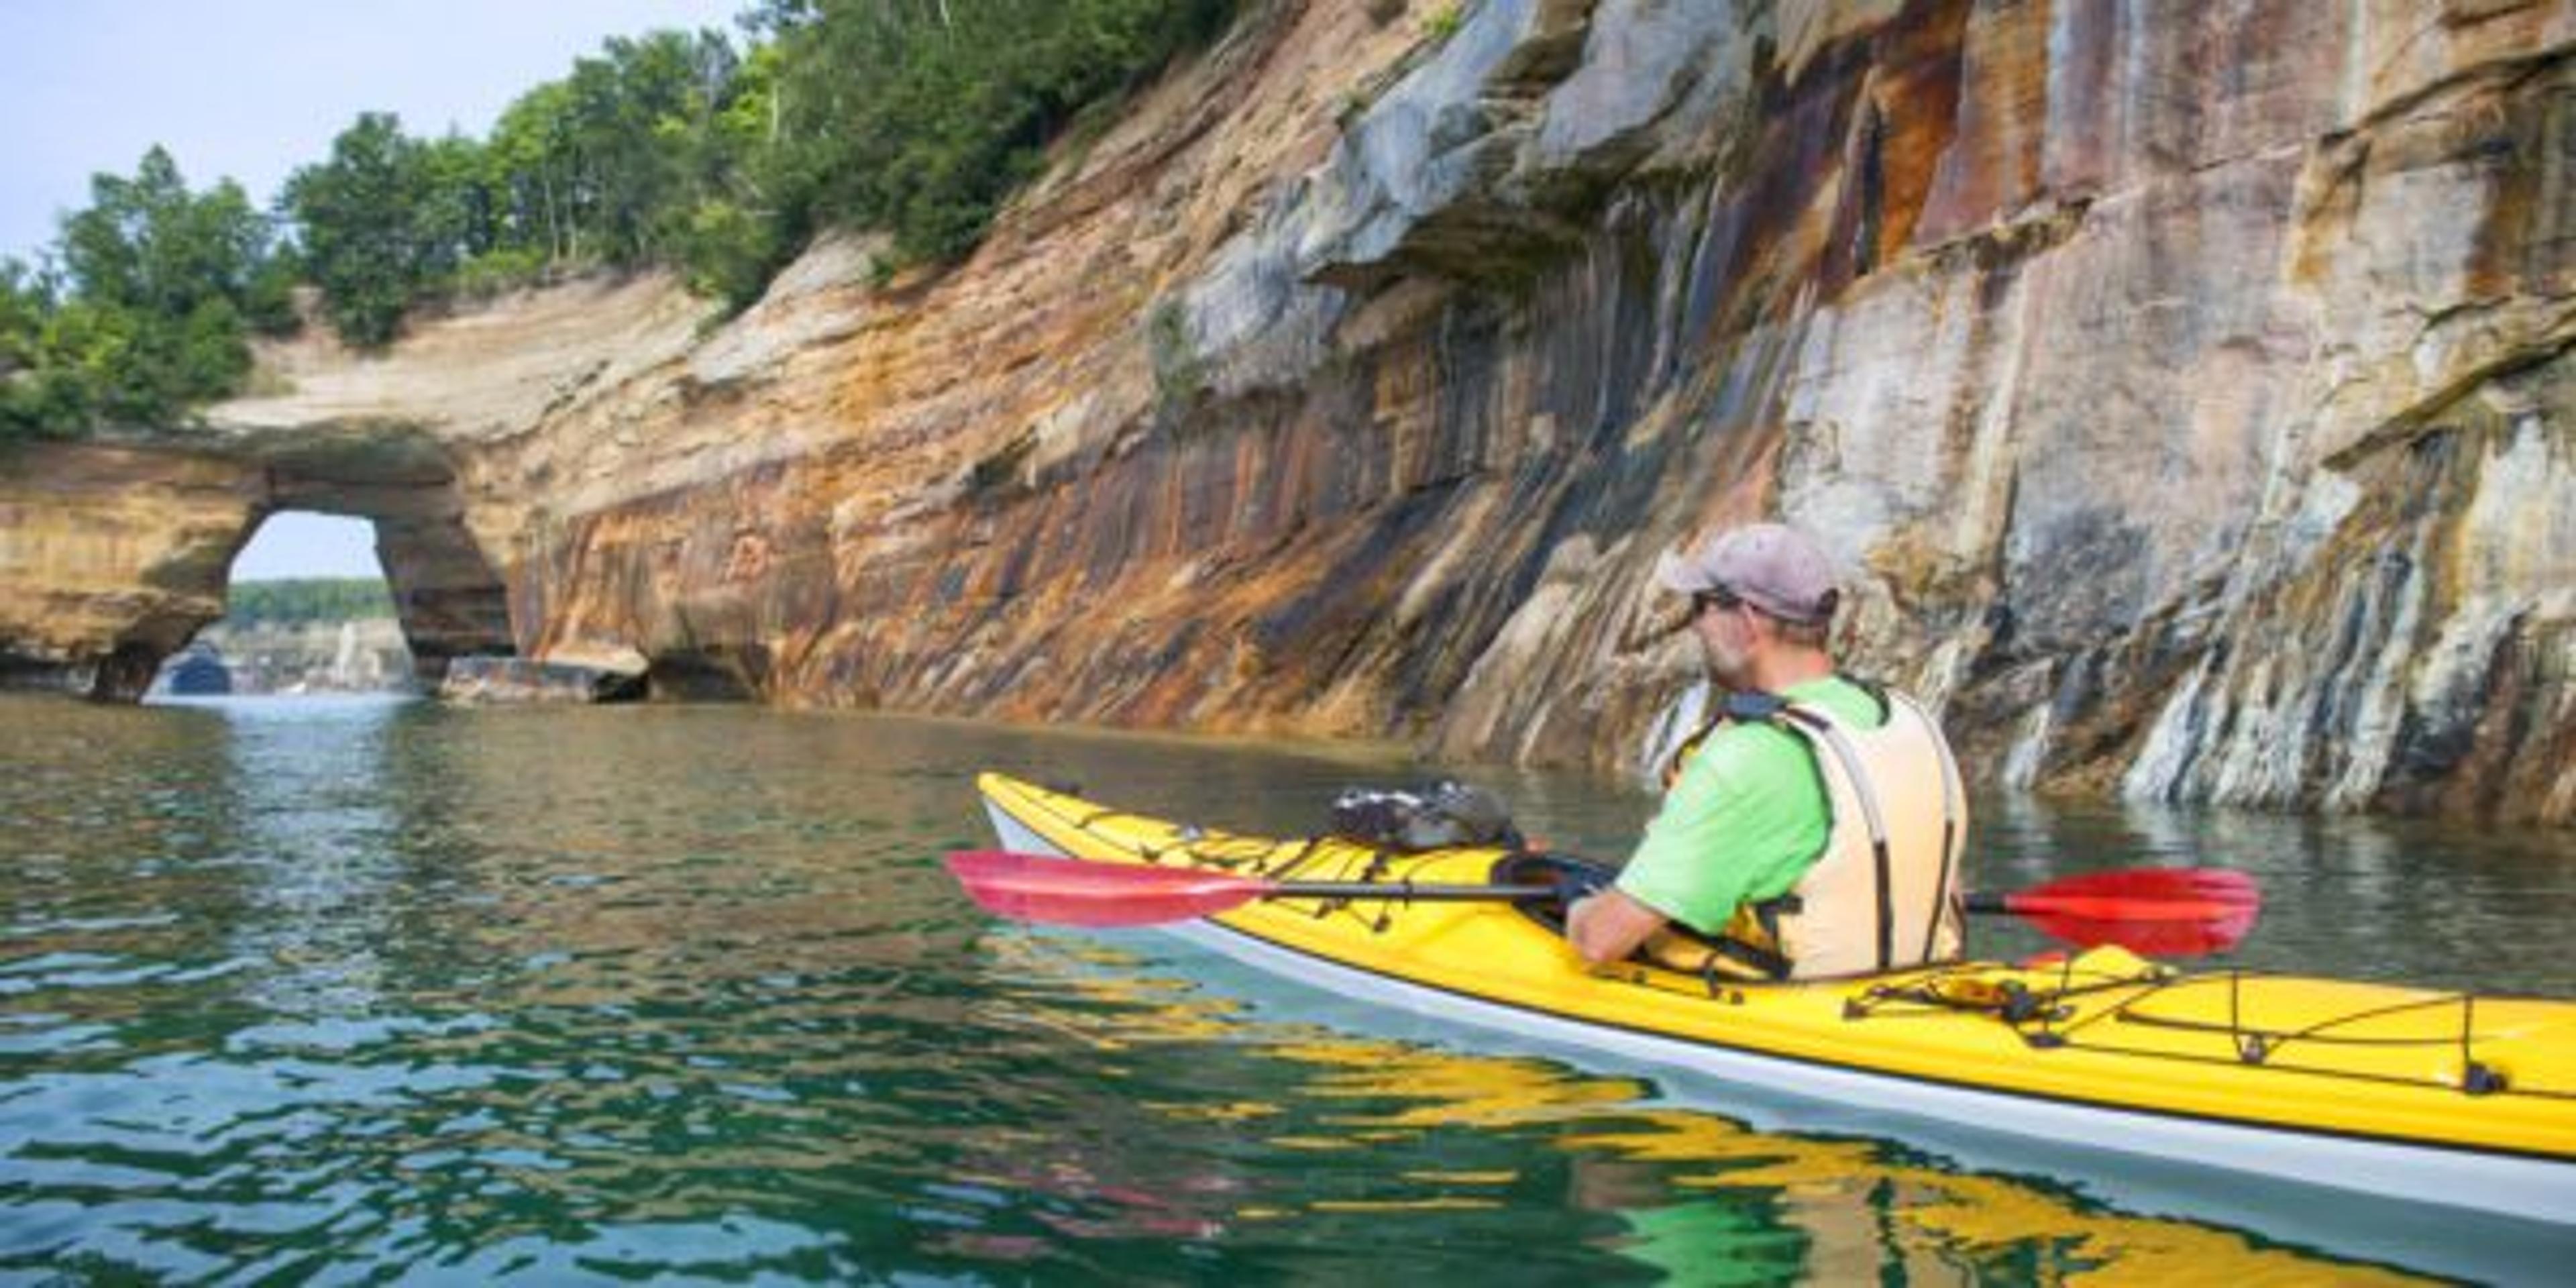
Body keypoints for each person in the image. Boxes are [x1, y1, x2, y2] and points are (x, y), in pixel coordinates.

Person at [1565, 522, 1968, 979]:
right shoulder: (1907, 720)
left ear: (1748, 620)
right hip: (1917, 992)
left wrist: (1576, 905)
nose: (1695, 624)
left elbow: (1601, 941)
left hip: (1796, 1022)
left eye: (1702, 606)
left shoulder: (1749, 756)